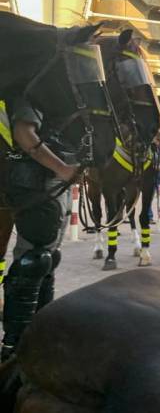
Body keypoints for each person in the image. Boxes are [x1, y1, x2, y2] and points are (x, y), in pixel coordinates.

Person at [1, 96, 80, 361]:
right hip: (34, 181)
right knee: (33, 260)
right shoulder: (30, 90)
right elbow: (24, 132)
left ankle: (38, 332)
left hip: (48, 180)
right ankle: (14, 345)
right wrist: (63, 168)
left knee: (47, 257)